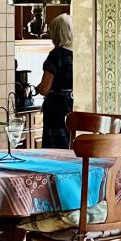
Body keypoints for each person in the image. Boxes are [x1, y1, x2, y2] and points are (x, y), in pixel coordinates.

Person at [36, 13, 74, 148]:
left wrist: (35, 89)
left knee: (55, 152)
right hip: (75, 109)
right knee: (72, 149)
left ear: (57, 33)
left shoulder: (56, 55)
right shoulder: (80, 53)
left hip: (57, 111)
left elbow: (45, 88)